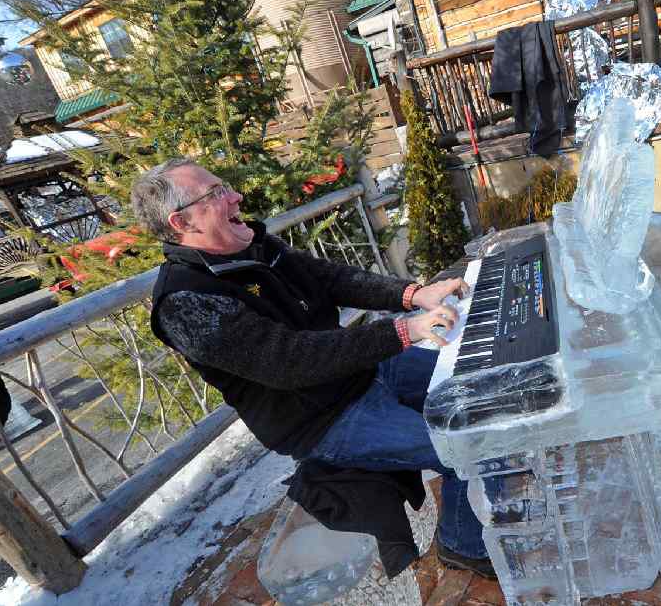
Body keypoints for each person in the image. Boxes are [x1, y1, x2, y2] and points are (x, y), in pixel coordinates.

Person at [130, 158, 492, 577]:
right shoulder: (185, 302)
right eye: (215, 195)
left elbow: (331, 278)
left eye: (224, 186)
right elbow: (292, 361)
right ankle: (463, 543)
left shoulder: (252, 245)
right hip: (322, 419)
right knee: (469, 447)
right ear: (182, 222)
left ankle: (498, 493)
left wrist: (414, 295)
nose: (235, 197)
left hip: (362, 372)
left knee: (477, 379)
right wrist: (405, 331)